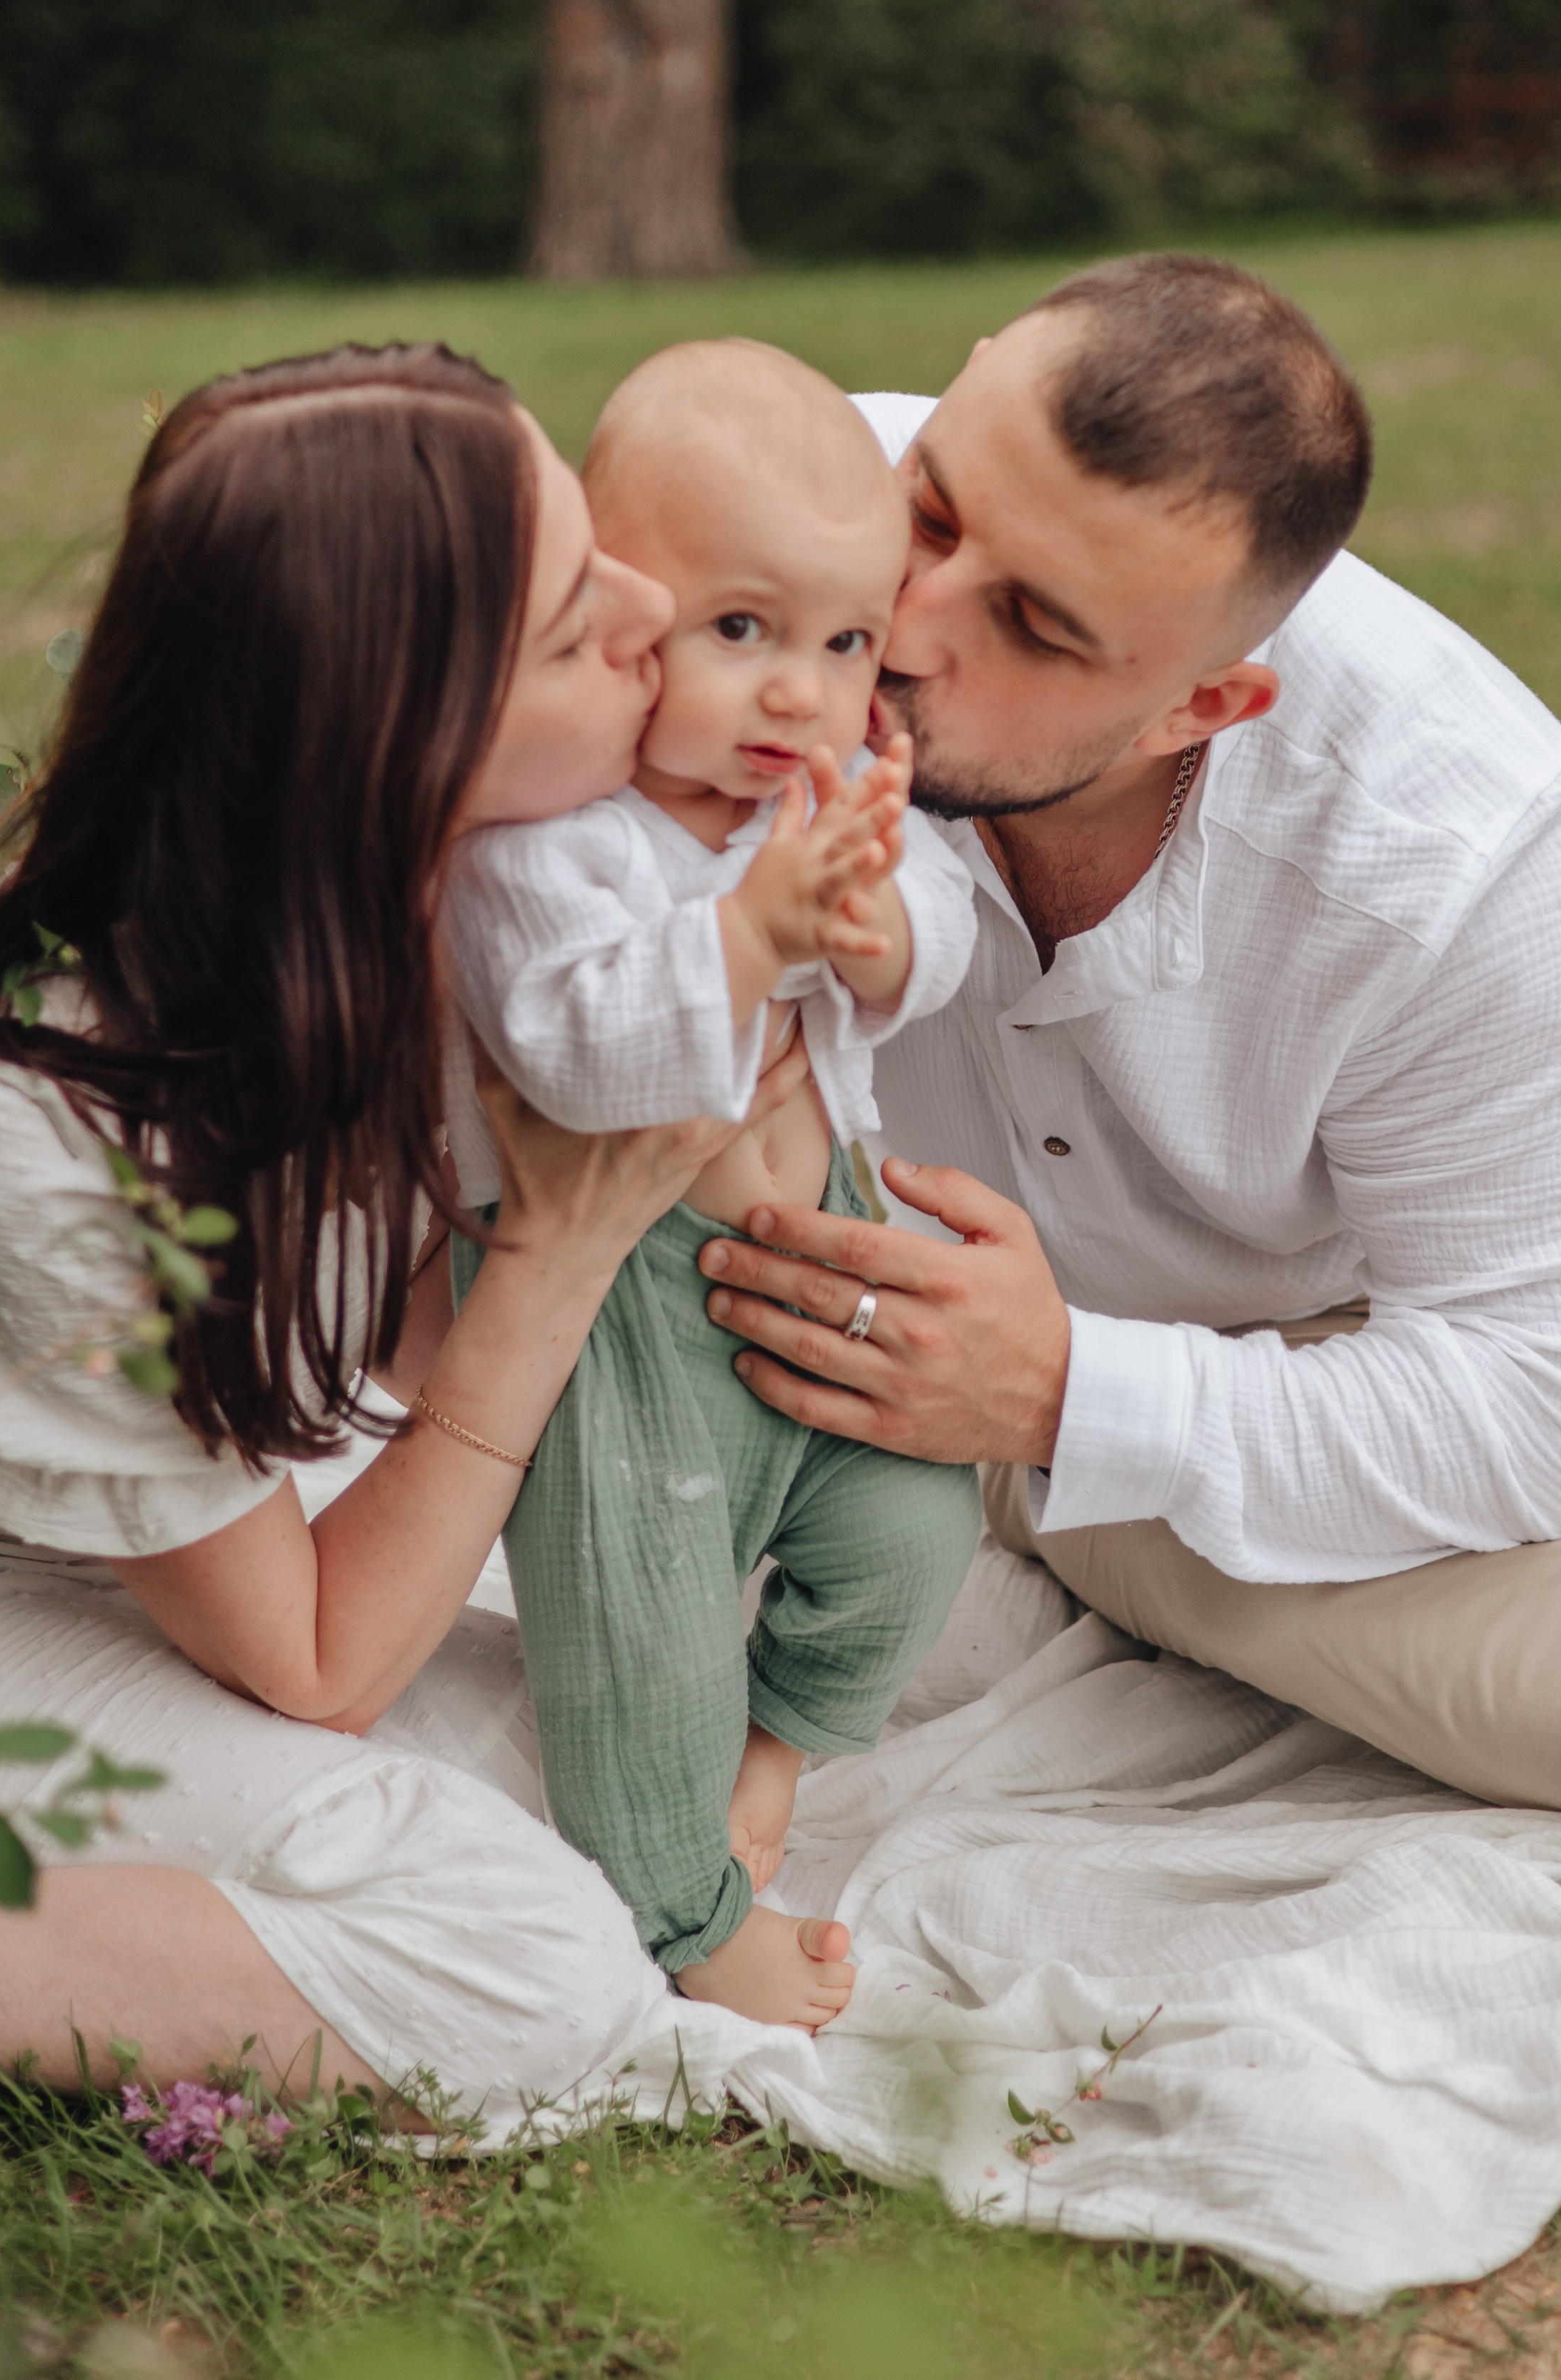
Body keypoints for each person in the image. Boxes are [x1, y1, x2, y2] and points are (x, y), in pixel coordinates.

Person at [691, 252, 1561, 1849]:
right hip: (985, 1368)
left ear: (1198, 704)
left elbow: (1517, 1414)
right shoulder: (766, 515)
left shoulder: (1443, 815)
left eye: (1033, 626)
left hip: (1365, 1189)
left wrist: (1071, 1378)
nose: (905, 625)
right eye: (934, 513)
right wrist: (1067, 1387)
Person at [0, 341, 856, 2115]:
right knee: (527, 1964)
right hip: (17, 1602)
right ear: (398, 738)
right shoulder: (51, 1128)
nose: (644, 605)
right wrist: (555, 1254)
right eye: (564, 626)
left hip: (188, 1549)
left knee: (616, 1745)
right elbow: (317, 1664)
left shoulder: (461, 908)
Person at [441, 340, 981, 2027]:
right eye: (736, 630)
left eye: (846, 643)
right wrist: (751, 932)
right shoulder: (544, 840)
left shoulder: (817, 800)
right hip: (624, 1321)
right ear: (615, 620)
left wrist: (888, 929)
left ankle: (784, 1745)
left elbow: (942, 924)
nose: (797, 695)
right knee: (637, 1639)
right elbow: (572, 1054)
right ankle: (681, 1908)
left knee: (917, 1524)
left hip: (835, 1252)